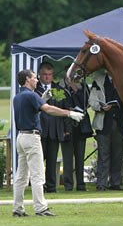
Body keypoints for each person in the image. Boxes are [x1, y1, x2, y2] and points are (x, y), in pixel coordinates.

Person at [12, 69, 84, 217]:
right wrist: (69, 113)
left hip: (21, 137)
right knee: (38, 175)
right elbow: (49, 109)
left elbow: (33, 111)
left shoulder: (18, 96)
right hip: (32, 138)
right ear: (27, 79)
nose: (37, 80)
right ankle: (40, 208)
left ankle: (18, 209)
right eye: (34, 78)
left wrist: (42, 99)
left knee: (21, 177)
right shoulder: (31, 95)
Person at [89, 70, 123, 191]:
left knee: (118, 155)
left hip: (120, 124)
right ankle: (102, 183)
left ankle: (115, 183)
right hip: (103, 123)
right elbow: (92, 101)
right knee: (103, 155)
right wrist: (101, 106)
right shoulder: (98, 81)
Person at [35, 62, 69, 193]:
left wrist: (66, 129)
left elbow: (65, 110)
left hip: (55, 129)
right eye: (45, 74)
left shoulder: (59, 89)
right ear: (39, 75)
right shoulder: (35, 89)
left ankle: (51, 186)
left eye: (50, 74)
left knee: (52, 159)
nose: (47, 77)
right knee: (38, 160)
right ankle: (38, 185)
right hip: (40, 129)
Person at [59, 73, 93, 191]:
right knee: (67, 158)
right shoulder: (59, 88)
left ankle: (81, 184)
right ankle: (68, 185)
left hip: (81, 126)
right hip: (66, 125)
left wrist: (75, 88)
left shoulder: (83, 87)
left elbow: (86, 103)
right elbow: (59, 105)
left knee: (80, 157)